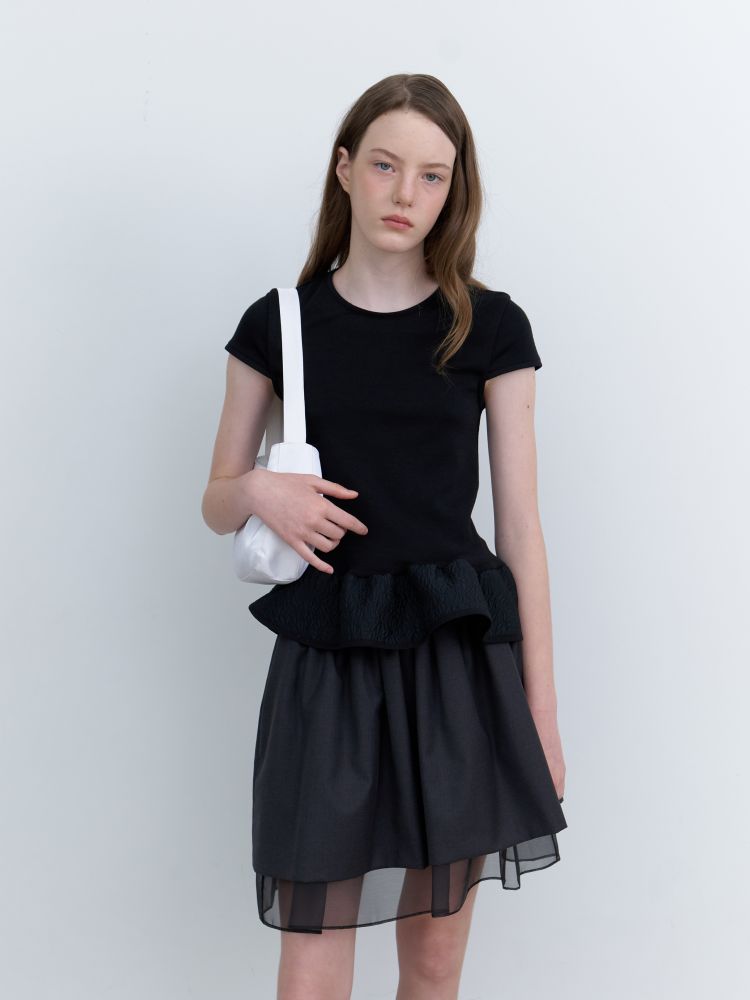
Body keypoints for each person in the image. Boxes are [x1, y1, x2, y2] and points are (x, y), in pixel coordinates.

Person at [202, 72, 567, 1000]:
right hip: (326, 662)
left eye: (432, 176)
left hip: (457, 663)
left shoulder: (490, 326)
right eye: (385, 165)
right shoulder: (279, 324)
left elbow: (521, 530)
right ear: (344, 169)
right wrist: (259, 490)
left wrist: (542, 715)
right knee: (312, 962)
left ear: (454, 190)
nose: (406, 193)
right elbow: (215, 498)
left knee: (435, 963)